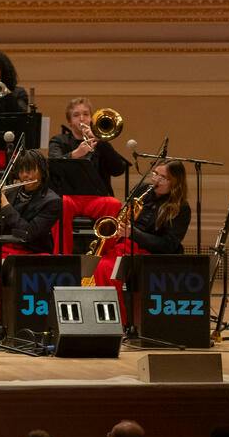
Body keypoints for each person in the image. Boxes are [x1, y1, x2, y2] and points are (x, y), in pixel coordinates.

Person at [91, 160, 191, 293]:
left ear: (175, 182)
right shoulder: (142, 189)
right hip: (127, 245)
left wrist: (133, 233)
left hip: (150, 253)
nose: (156, 180)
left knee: (106, 268)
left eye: (163, 177)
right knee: (96, 264)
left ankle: (117, 311)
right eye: (155, 174)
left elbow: (168, 245)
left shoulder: (181, 208)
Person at [0, 149, 63, 287]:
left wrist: (5, 205)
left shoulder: (52, 201)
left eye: (30, 170)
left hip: (33, 253)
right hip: (7, 250)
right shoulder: (12, 193)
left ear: (42, 171)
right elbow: (0, 227)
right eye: (22, 171)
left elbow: (28, 233)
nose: (25, 175)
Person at [48, 98, 127, 253]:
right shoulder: (59, 140)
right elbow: (52, 165)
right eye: (76, 115)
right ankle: (62, 256)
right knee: (57, 204)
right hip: (69, 197)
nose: (82, 118)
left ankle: (105, 254)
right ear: (70, 121)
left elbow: (118, 169)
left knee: (114, 204)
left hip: (96, 198)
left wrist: (100, 140)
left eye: (86, 114)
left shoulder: (101, 142)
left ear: (92, 119)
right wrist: (76, 154)